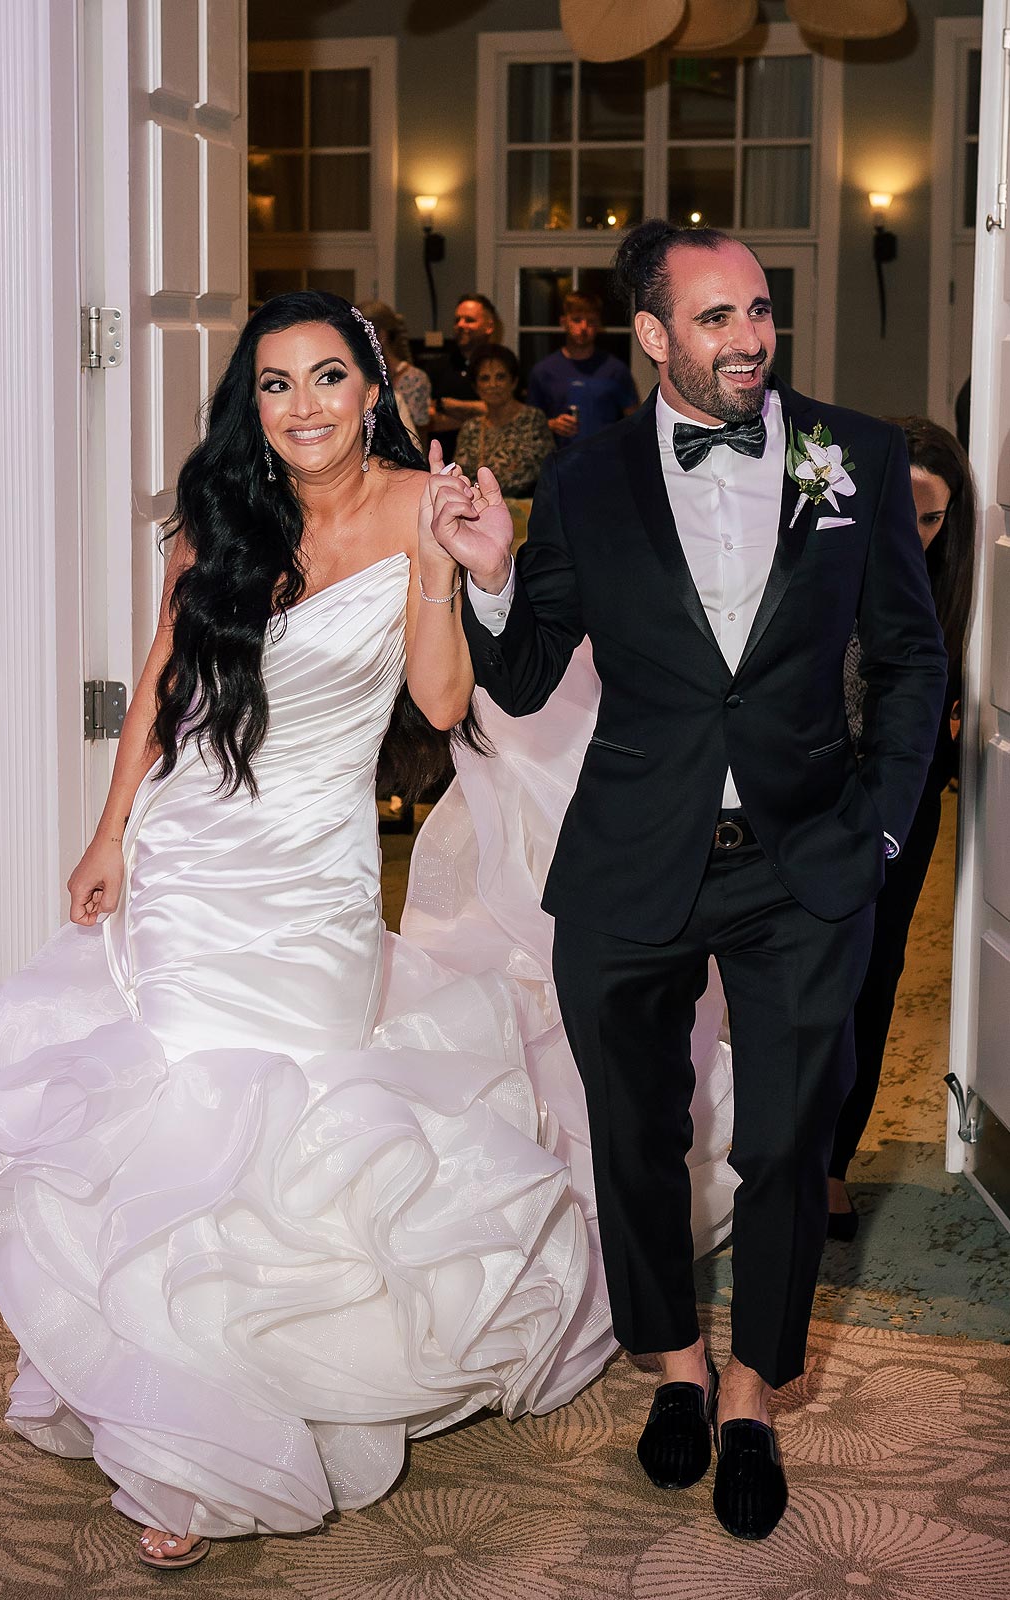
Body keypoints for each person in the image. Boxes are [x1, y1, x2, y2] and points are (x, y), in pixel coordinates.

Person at [0, 288, 734, 1572]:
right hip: (186, 853)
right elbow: (163, 673)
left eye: (327, 378)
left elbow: (437, 694)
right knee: (167, 1123)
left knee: (274, 1130)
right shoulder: (218, 512)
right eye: (275, 384)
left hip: (309, 875)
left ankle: (265, 1389)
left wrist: (433, 564)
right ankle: (185, 1441)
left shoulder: (411, 509)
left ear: (374, 390)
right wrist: (109, 832)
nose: (303, 406)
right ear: (248, 402)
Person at [433, 217, 947, 1541]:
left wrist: (881, 828)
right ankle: (669, 1365)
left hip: (804, 856)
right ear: (650, 333)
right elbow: (529, 670)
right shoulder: (590, 479)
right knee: (633, 1134)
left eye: (759, 312)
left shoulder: (845, 455)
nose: (748, 339)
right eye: (714, 318)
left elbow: (907, 654)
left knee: (782, 1140)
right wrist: (489, 580)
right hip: (629, 856)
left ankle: (751, 1396)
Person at [828, 416, 975, 1239]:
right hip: (808, 788)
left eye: (932, 518)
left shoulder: (949, 588)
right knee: (788, 980)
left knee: (874, 975)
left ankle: (830, 1164)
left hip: (903, 800)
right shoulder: (824, 558)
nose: (914, 534)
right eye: (904, 512)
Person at [526, 290, 638, 445]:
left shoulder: (616, 370)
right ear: (564, 322)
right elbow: (528, 424)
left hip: (606, 459)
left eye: (591, 321)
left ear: (599, 325)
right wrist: (552, 424)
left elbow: (635, 422)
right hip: (559, 460)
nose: (584, 327)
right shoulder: (543, 371)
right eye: (577, 320)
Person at [454, 343, 554, 497]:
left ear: (513, 381)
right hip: (478, 513)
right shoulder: (470, 428)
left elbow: (544, 476)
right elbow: (459, 478)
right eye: (485, 378)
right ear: (475, 387)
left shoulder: (533, 419)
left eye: (500, 377)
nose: (493, 385)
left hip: (524, 514)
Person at [423, 293, 501, 453]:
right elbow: (427, 420)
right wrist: (480, 414)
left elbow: (506, 413)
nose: (461, 325)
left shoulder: (502, 367)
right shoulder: (436, 367)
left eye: (469, 320)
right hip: (444, 463)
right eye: (457, 320)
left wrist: (448, 405)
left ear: (489, 326)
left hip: (492, 460)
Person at [358, 298, 432, 453]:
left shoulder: (414, 380)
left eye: (359, 333)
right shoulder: (356, 375)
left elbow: (419, 440)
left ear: (381, 335)